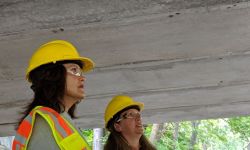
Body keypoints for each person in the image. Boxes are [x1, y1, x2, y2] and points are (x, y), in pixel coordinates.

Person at [12, 40, 94, 150]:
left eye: (80, 72)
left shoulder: (59, 122)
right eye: (74, 70)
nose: (82, 78)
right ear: (52, 75)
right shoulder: (44, 124)